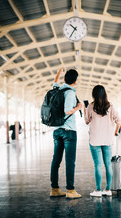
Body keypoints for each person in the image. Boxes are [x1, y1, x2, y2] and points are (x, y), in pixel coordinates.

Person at [84, 85, 121, 197]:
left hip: (95, 139)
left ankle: (98, 190)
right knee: (108, 165)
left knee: (98, 165)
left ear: (94, 95)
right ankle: (108, 189)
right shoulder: (111, 107)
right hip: (108, 139)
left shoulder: (91, 106)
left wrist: (85, 109)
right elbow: (119, 121)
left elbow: (86, 121)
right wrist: (115, 132)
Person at [50, 68, 82, 199]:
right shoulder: (69, 93)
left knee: (56, 160)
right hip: (68, 132)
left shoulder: (58, 89)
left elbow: (55, 81)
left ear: (64, 79)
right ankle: (70, 190)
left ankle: (55, 189)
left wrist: (59, 71)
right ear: (75, 82)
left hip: (57, 130)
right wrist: (78, 108)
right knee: (70, 161)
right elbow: (67, 111)